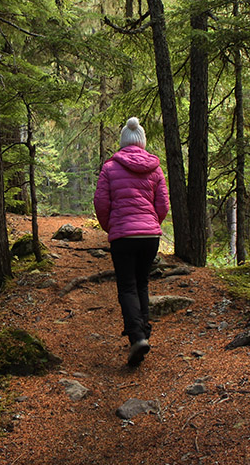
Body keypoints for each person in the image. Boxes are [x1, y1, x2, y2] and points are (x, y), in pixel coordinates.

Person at [94, 117, 169, 367]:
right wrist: (151, 223)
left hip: (123, 236)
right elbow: (163, 205)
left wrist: (111, 226)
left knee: (127, 286)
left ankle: (137, 337)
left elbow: (101, 203)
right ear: (142, 142)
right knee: (142, 284)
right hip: (150, 236)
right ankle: (143, 334)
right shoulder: (155, 168)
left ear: (123, 142)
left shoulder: (110, 168)